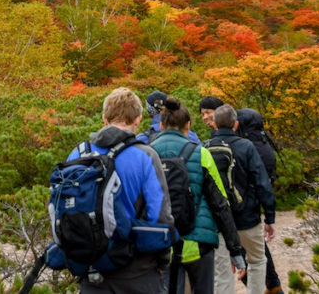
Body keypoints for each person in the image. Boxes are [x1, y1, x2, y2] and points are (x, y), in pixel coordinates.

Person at [66, 87, 176, 293]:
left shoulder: (78, 154)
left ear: (104, 118)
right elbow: (161, 216)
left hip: (91, 271)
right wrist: (162, 261)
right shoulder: (146, 156)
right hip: (137, 270)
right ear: (138, 119)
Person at [150, 97, 247, 294]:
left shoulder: (146, 154)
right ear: (188, 125)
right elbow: (220, 204)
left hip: (161, 243)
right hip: (199, 241)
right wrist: (235, 250)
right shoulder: (201, 153)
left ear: (161, 125)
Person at [208, 105, 276, 294]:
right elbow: (262, 183)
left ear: (213, 124)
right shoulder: (246, 147)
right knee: (257, 260)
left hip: (219, 220)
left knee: (222, 271)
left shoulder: (204, 148)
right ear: (236, 125)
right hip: (247, 217)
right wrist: (269, 218)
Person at [236, 108, 283, 294]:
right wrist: (269, 217)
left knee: (246, 253)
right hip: (255, 210)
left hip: (243, 211)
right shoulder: (264, 144)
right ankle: (273, 285)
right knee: (258, 252)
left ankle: (267, 287)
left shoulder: (247, 147)